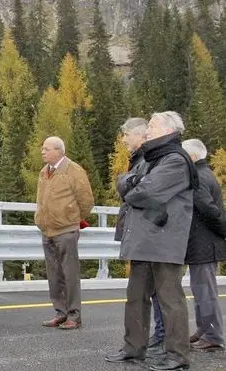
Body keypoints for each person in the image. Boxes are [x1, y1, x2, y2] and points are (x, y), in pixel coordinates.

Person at [106, 111, 197, 371]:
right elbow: (124, 183)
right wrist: (133, 182)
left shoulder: (175, 160)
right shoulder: (150, 158)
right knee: (135, 297)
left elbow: (144, 193)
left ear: (168, 130)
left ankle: (178, 356)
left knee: (170, 299)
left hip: (165, 241)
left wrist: (134, 185)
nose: (147, 131)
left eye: (153, 126)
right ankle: (133, 349)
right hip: (144, 240)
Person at [113, 118, 167, 353]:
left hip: (149, 233)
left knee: (155, 291)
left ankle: (161, 337)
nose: (124, 139)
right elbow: (125, 186)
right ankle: (157, 337)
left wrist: (129, 183)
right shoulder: (138, 160)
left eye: (126, 135)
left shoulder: (148, 159)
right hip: (142, 231)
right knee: (152, 291)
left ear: (141, 136)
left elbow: (138, 192)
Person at [36, 136, 95, 330]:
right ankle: (60, 312)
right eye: (43, 149)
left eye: (46, 149)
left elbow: (86, 201)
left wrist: (72, 218)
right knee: (54, 274)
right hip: (47, 230)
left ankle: (74, 315)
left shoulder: (74, 170)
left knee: (70, 274)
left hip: (66, 230)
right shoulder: (44, 172)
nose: (42, 151)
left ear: (58, 151)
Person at [179, 139, 224, 352]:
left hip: (203, 244)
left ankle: (213, 335)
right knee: (201, 290)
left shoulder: (197, 178)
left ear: (193, 157)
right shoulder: (204, 174)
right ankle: (204, 331)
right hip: (203, 243)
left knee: (205, 292)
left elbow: (210, 210)